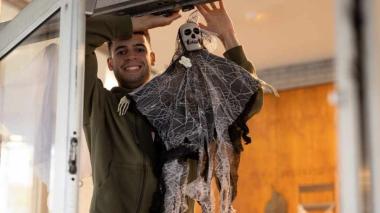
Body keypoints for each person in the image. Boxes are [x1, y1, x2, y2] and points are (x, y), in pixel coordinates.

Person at [84, 1, 263, 212]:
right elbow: (80, 39)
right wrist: (134, 22)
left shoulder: (184, 112)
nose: (131, 55)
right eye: (121, 51)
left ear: (152, 58)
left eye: (139, 48)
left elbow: (248, 101)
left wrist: (228, 36)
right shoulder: (99, 106)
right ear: (110, 63)